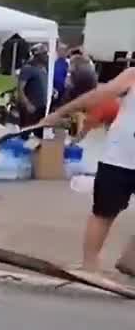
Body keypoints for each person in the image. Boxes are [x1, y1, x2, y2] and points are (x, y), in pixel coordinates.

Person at [42, 67, 135, 273]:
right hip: (119, 158)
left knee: (103, 212)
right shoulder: (133, 76)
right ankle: (89, 265)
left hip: (120, 156)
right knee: (103, 212)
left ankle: (131, 259)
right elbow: (97, 96)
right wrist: (59, 113)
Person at [16, 46, 50, 137]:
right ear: (37, 55)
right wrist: (27, 104)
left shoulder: (43, 69)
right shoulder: (28, 68)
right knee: (25, 133)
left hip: (41, 107)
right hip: (31, 107)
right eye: (44, 54)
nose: (47, 56)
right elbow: (20, 89)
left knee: (39, 134)